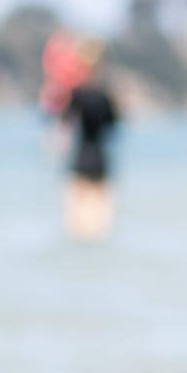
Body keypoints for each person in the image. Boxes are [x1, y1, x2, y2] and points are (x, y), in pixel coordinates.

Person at [58, 39, 121, 240]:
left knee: (76, 225)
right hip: (101, 159)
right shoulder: (106, 96)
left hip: (80, 158)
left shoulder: (77, 95)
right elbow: (113, 127)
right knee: (100, 225)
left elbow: (63, 124)